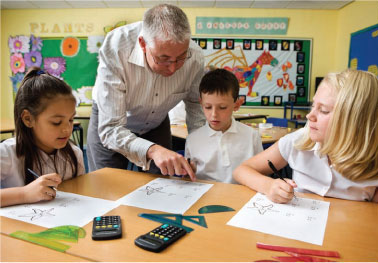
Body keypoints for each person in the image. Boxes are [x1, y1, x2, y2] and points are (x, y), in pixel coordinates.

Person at [87, 4, 205, 180]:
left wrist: (197, 155)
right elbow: (111, 128)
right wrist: (153, 150)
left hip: (156, 121)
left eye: (181, 58)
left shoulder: (195, 57)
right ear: (143, 44)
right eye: (163, 59)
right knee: (107, 185)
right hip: (111, 124)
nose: (173, 68)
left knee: (161, 186)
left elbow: (196, 108)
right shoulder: (116, 46)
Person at [233, 69, 378, 203]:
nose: (309, 115)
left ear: (355, 121)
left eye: (324, 110)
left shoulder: (373, 159)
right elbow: (241, 170)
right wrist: (268, 185)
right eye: (313, 105)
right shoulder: (299, 140)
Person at [0, 67, 85, 207]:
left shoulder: (75, 155)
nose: (67, 129)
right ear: (28, 119)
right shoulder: (7, 153)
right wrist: (24, 193)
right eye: (56, 122)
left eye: (70, 120)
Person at [185, 69, 263, 183]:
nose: (214, 114)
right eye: (207, 107)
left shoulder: (252, 136)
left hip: (242, 196)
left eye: (222, 107)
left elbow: (261, 173)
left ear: (236, 105)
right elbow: (190, 178)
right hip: (207, 197)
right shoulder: (193, 139)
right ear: (201, 103)